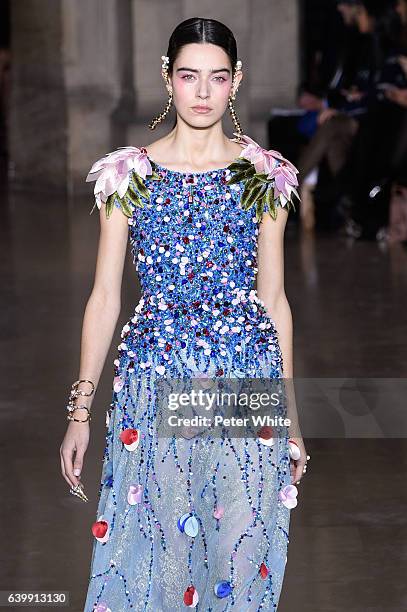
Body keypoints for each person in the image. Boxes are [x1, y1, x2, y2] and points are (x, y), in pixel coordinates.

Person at [59, 17, 309, 611]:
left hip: (246, 380)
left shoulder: (263, 176)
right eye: (189, 76)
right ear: (167, 80)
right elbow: (104, 297)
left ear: (236, 81)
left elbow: (274, 301)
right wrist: (81, 410)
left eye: (217, 78)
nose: (202, 92)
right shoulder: (130, 178)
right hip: (155, 384)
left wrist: (293, 416)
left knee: (241, 561)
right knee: (164, 563)